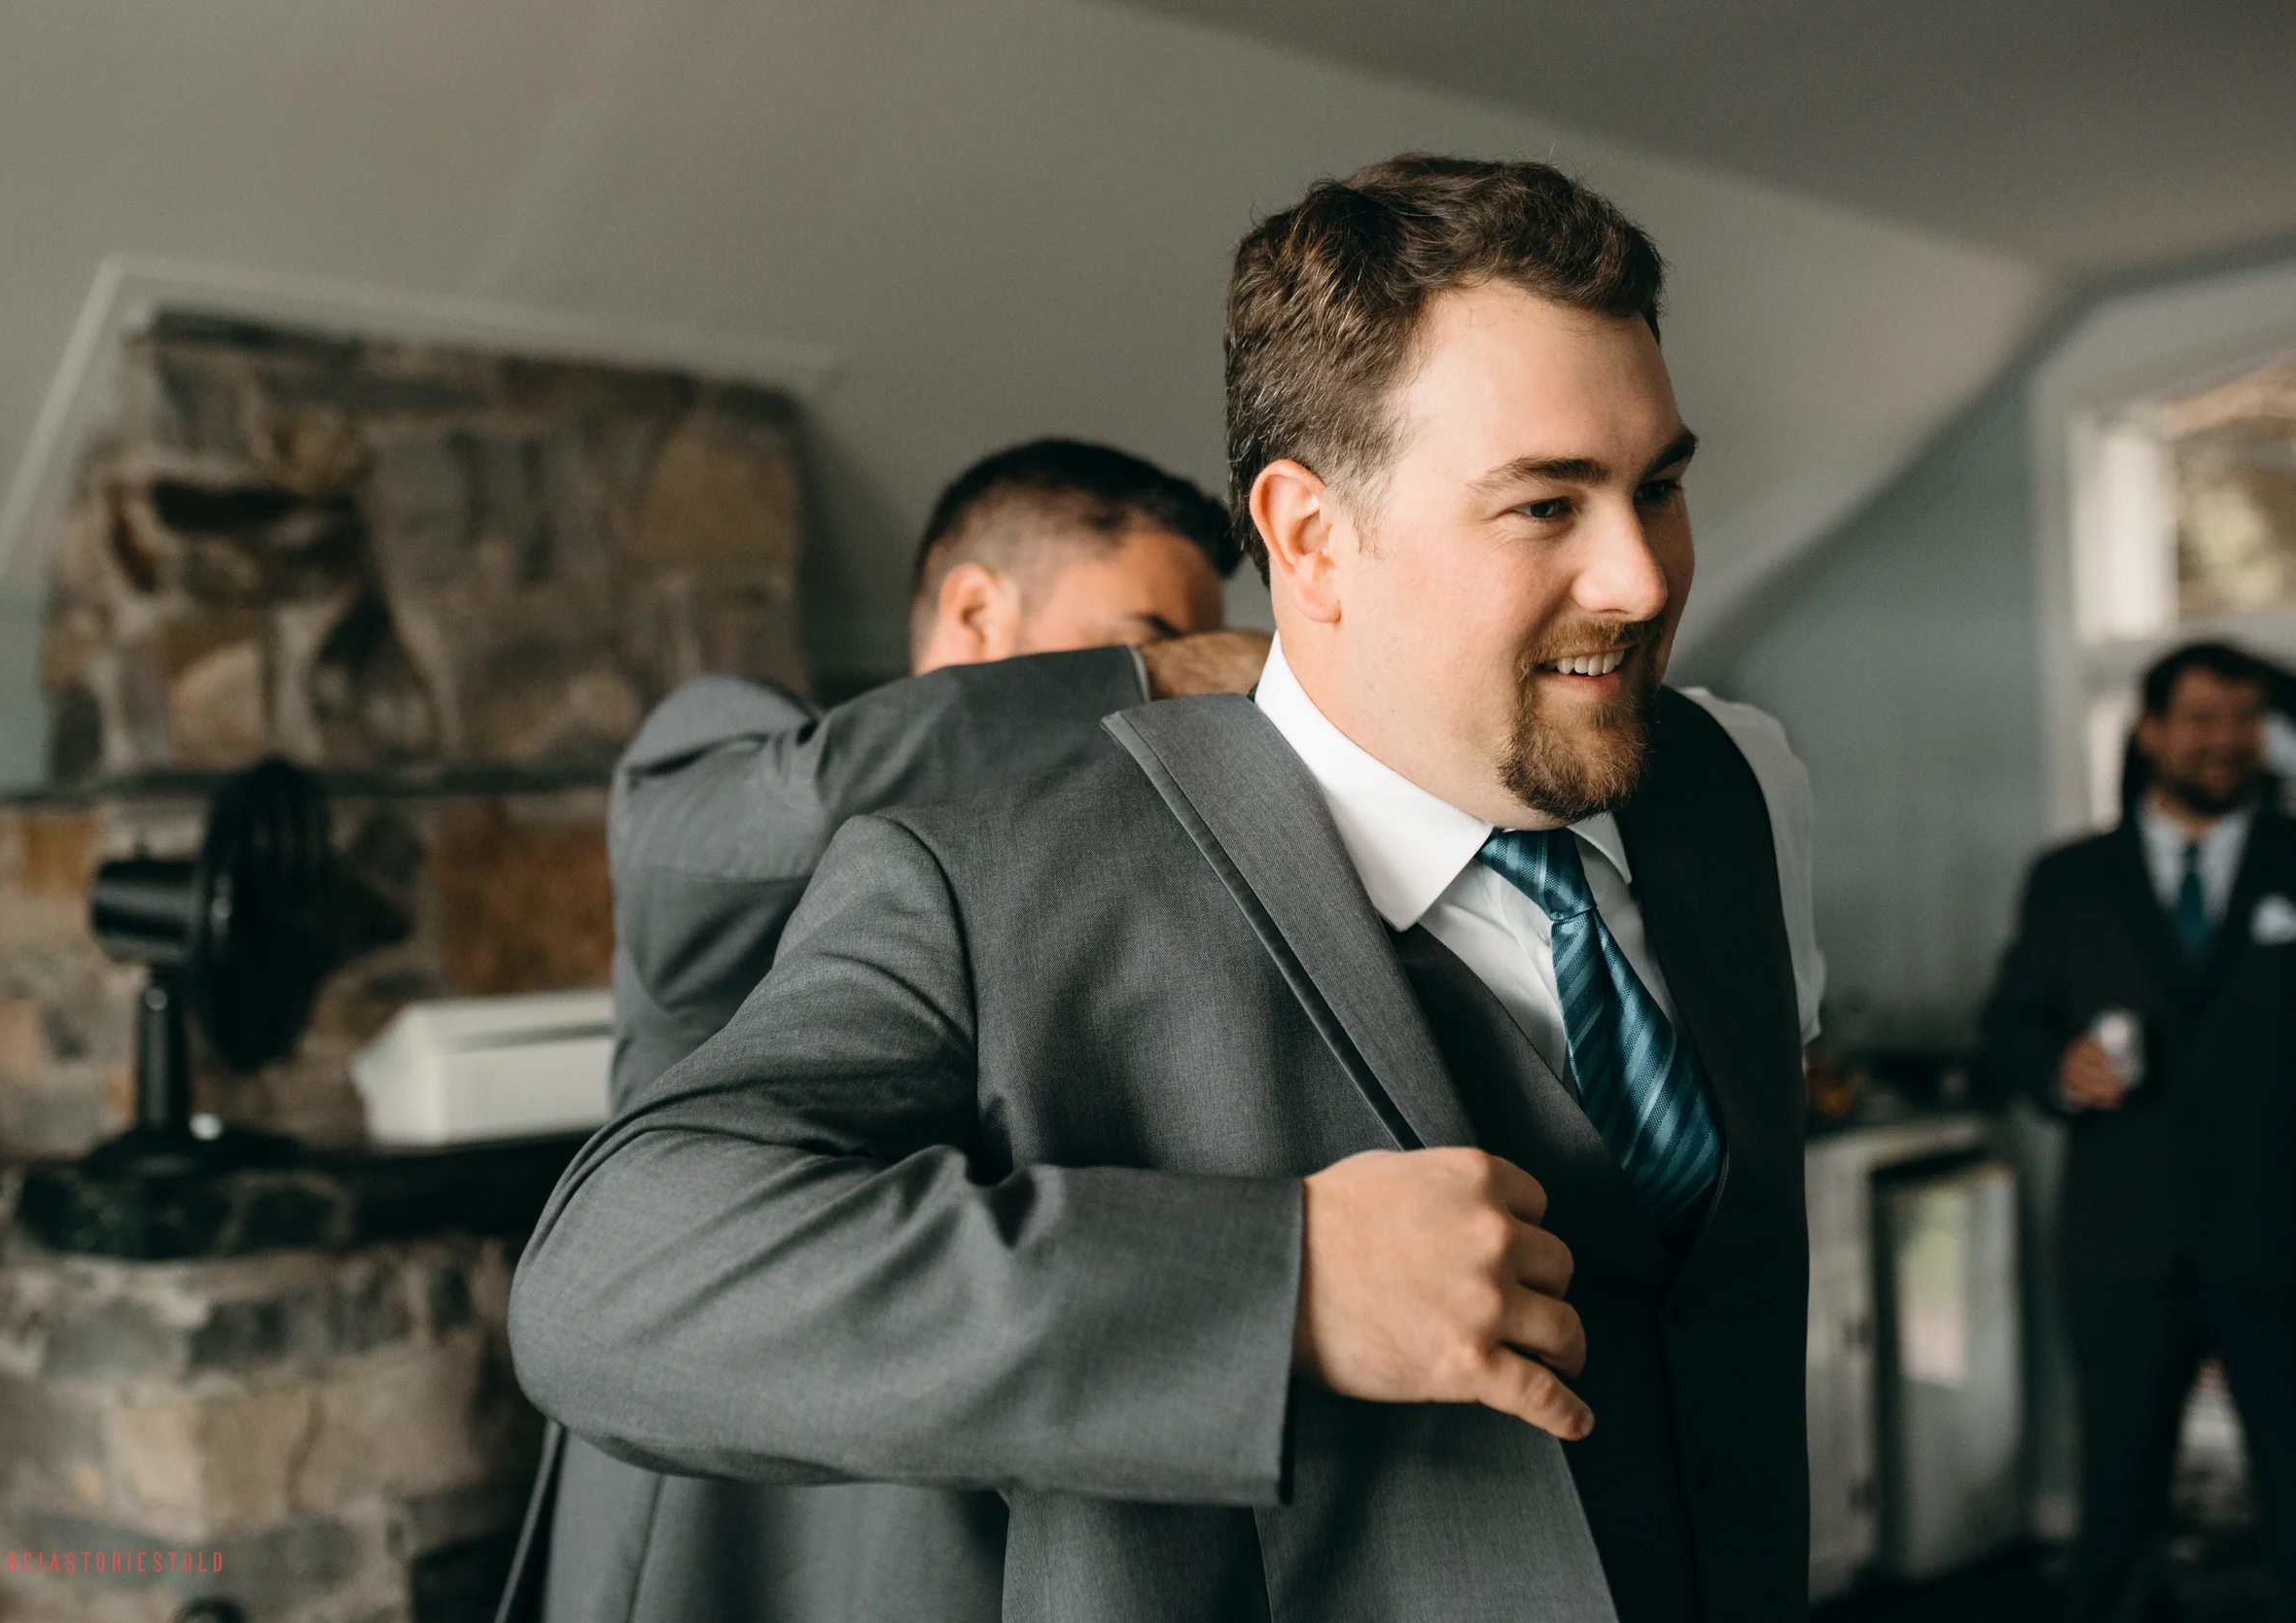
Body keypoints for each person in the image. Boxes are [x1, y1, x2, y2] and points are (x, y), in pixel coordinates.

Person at [509, 156, 1824, 1622]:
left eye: (1661, 485)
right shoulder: (990, 892)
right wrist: (1277, 1290)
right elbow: (607, 1292)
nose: (1644, 577)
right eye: (1544, 506)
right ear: (1312, 539)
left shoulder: (1721, 787)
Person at [498, 439, 1270, 1623]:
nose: (1188, 680)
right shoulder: (724, 748)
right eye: (1152, 628)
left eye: (1182, 643)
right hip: (721, 1511)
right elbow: (773, 820)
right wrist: (1156, 678)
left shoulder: (1094, 874)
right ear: (973, 607)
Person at [1982, 640, 2296, 1623]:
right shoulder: (2071, 878)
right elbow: (2007, 1030)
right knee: (2115, 1500)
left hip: (2279, 1234)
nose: (2225, 740)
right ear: (2149, 730)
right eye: (2201, 717)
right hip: (2122, 1243)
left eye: (2243, 719)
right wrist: (2055, 1067)